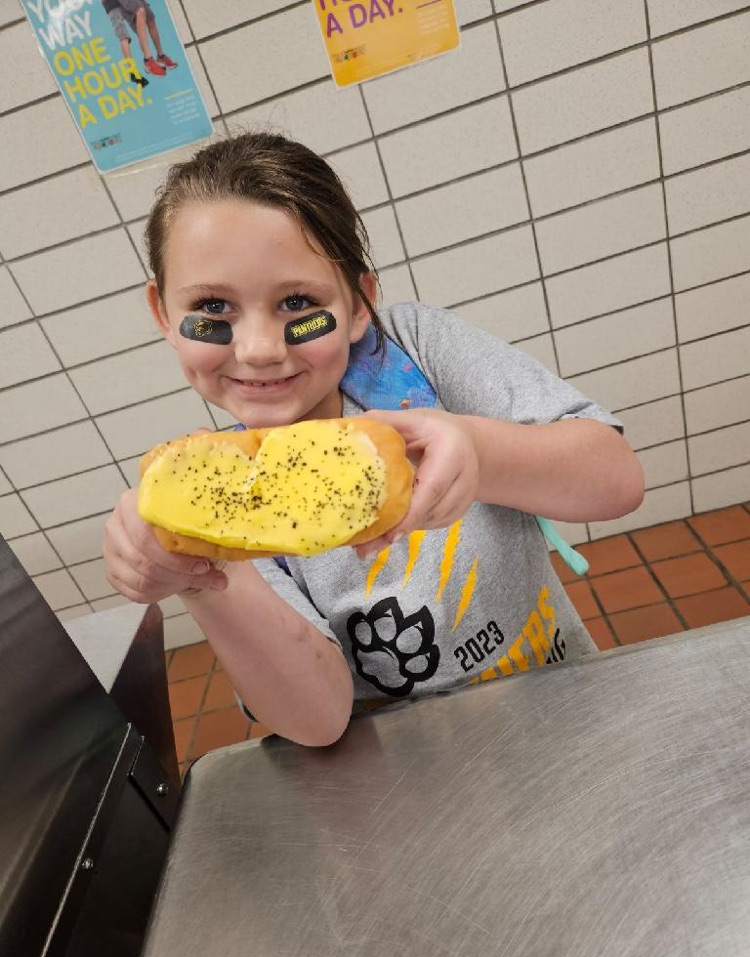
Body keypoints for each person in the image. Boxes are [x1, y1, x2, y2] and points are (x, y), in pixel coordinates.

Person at [103, 131, 644, 747]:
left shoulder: (412, 353)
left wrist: (479, 452)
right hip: (403, 780)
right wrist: (198, 573)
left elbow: (617, 480)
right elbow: (318, 719)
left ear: (359, 302)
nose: (258, 348)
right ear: (162, 313)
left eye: (298, 302)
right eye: (213, 307)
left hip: (565, 709)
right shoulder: (220, 503)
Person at [102, 0, 177, 82]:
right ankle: (137, 68)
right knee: (124, 36)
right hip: (111, 4)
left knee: (147, 21)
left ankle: (159, 57)